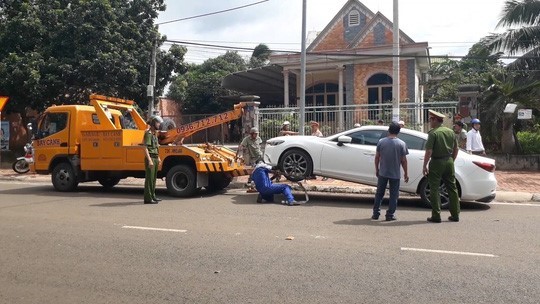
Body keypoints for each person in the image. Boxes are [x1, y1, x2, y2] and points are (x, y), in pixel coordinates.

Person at [422, 110, 460, 223]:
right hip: (449, 161)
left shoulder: (433, 133)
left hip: (437, 162)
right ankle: (455, 215)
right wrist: (451, 160)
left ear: (435, 120)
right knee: (452, 188)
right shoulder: (450, 132)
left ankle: (436, 215)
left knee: (434, 188)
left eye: (430, 120)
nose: (429, 122)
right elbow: (456, 149)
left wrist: (424, 165)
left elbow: (429, 151)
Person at [372, 122, 409, 221]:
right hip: (395, 174)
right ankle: (390, 215)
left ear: (389, 130)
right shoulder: (402, 144)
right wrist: (406, 173)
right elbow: (404, 161)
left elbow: (377, 157)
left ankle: (376, 213)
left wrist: (377, 169)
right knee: (394, 195)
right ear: (398, 131)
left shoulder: (381, 142)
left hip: (383, 172)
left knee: (379, 194)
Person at [143, 115, 163, 204]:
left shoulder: (155, 134)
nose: (159, 124)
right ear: (153, 123)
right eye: (157, 123)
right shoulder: (148, 134)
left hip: (155, 157)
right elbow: (145, 147)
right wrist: (150, 160)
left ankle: (153, 196)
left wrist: (158, 157)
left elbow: (156, 147)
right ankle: (148, 198)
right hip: (150, 157)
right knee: (149, 179)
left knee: (154, 179)